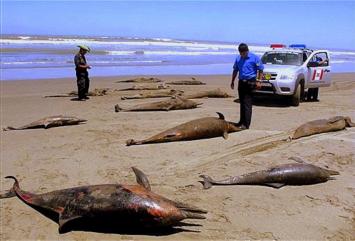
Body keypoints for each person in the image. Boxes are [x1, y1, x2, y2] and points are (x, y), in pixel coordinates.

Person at [230, 43, 264, 129]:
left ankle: (246, 124)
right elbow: (235, 70)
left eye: (244, 53)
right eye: (241, 53)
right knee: (242, 103)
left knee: (247, 103)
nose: (242, 55)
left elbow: (261, 69)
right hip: (241, 82)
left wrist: (259, 81)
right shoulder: (238, 58)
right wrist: (232, 81)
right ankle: (241, 121)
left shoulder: (254, 58)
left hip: (251, 82)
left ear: (247, 51)